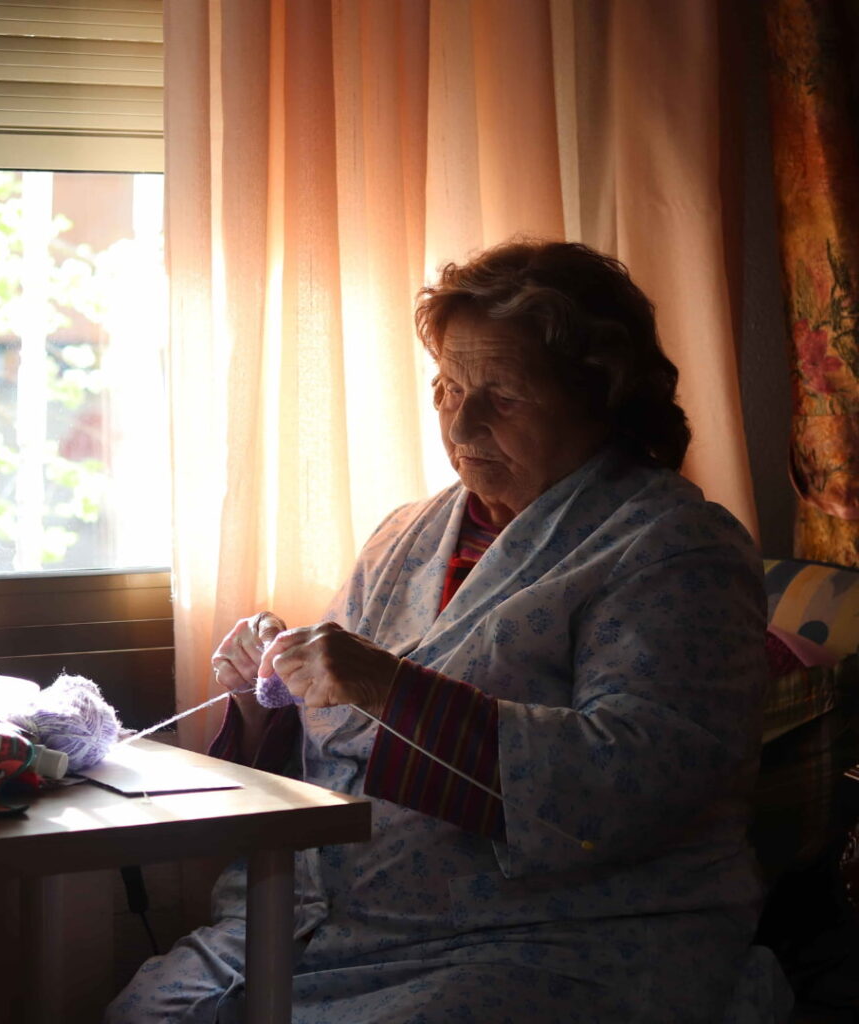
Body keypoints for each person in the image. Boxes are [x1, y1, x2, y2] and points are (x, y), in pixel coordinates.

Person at [107, 240, 791, 1023]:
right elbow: (337, 737)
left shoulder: (673, 547)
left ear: (598, 397)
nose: (460, 422)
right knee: (151, 1012)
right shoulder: (409, 532)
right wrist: (270, 695)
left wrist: (383, 685)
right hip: (335, 922)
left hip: (549, 936)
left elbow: (635, 779)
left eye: (500, 396)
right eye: (447, 388)